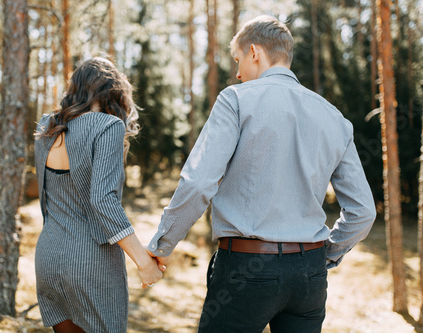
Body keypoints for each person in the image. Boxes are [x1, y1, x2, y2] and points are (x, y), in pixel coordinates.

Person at [148, 16, 376, 333]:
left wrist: (161, 246)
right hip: (309, 276)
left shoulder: (236, 99)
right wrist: (326, 256)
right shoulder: (334, 118)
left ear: (255, 52)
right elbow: (363, 211)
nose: (238, 73)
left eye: (239, 60)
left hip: (245, 271)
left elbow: (200, 183)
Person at [34, 57, 164, 333]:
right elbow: (102, 200)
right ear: (113, 91)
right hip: (90, 262)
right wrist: (144, 262)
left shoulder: (47, 126)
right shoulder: (107, 126)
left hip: (48, 255)